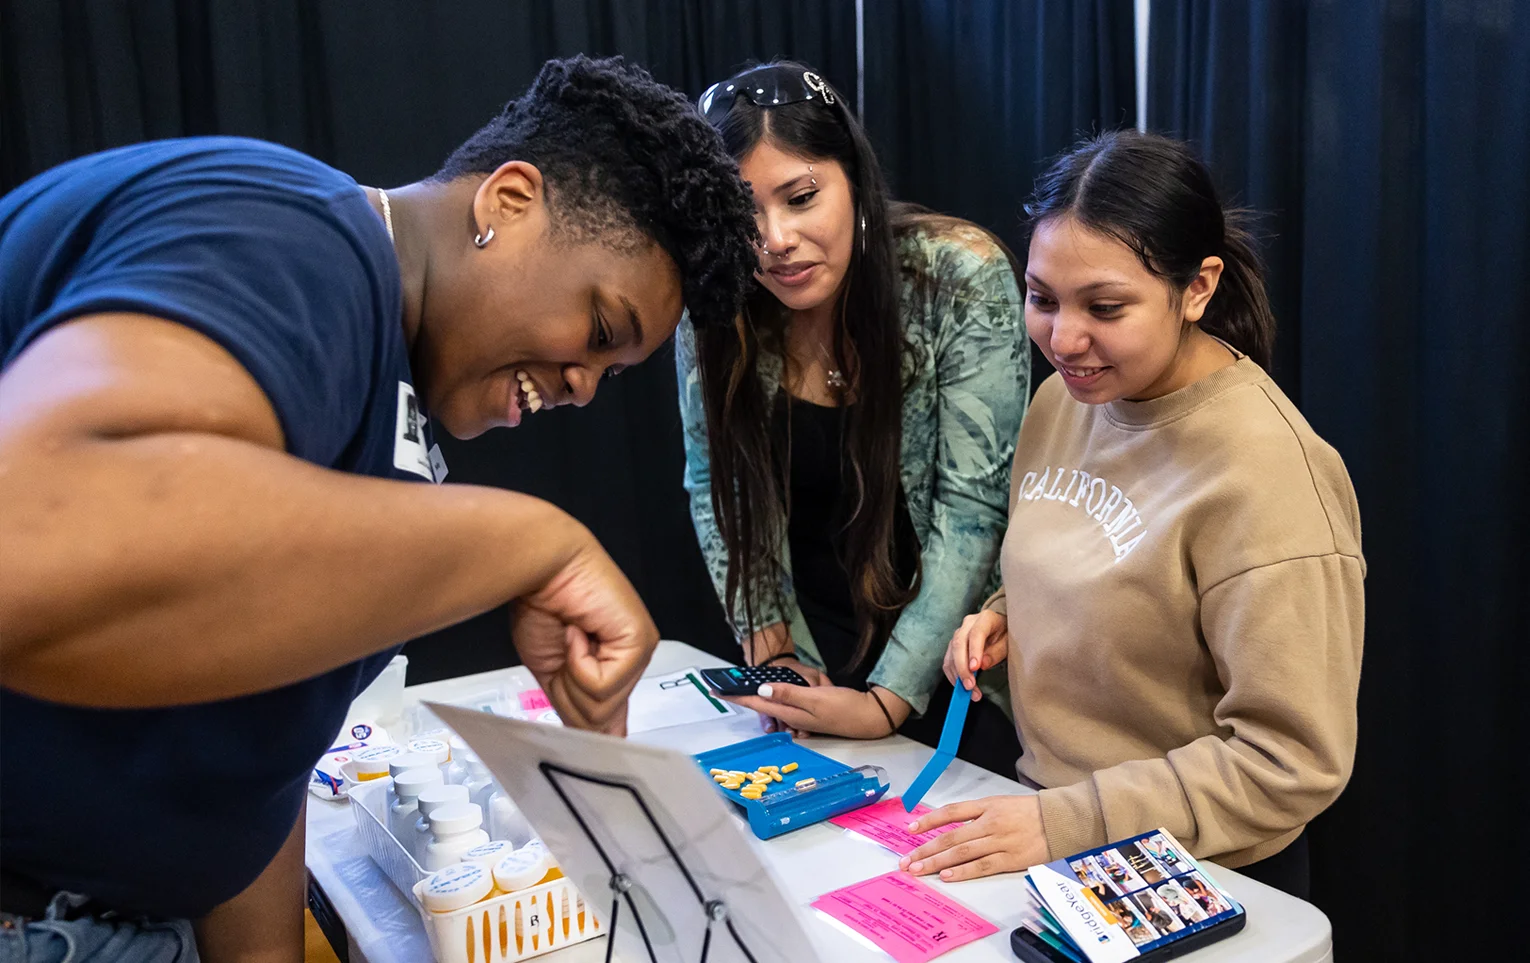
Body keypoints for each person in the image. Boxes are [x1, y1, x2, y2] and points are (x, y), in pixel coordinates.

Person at [0, 56, 758, 959]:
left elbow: (253, 747)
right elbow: (41, 545)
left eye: (611, 373)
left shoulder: (394, 406)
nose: (583, 388)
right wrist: (531, 543)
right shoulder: (293, 236)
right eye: (598, 332)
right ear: (507, 203)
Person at [899, 130, 1364, 899]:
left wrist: (1068, 823)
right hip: (1050, 830)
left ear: (1198, 287)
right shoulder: (1064, 400)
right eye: (1042, 298)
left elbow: (1292, 760)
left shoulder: (1270, 474)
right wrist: (1007, 613)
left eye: (1105, 307)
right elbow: (1105, 568)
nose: (1064, 338)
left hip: (1202, 871)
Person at [676, 62, 1028, 766]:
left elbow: (973, 512)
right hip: (807, 658)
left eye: (800, 197)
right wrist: (772, 659)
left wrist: (886, 701)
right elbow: (715, 484)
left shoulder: (959, 275)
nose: (773, 239)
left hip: (949, 675)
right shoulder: (717, 302)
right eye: (743, 213)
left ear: (855, 184)